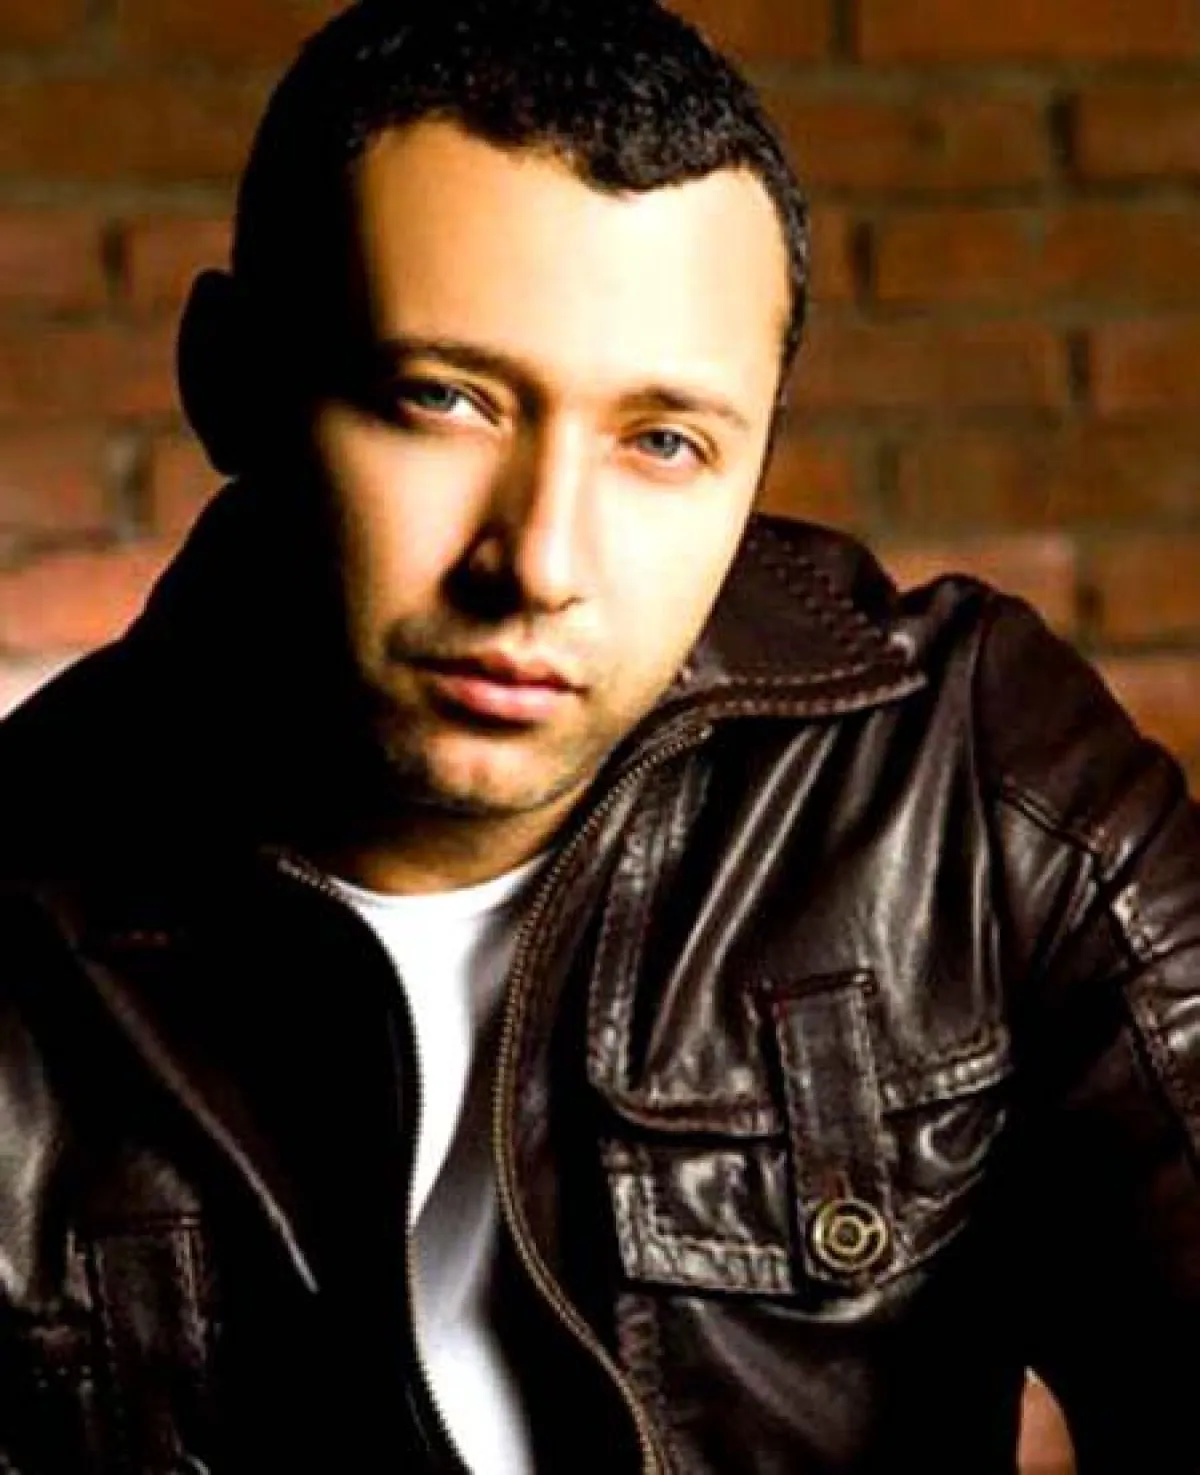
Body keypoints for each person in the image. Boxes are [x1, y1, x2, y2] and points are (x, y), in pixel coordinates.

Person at [0, 0, 1196, 1471]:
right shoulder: (25, 913)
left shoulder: (965, 775)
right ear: (229, 380)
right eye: (442, 399)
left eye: (663, 442)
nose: (542, 562)